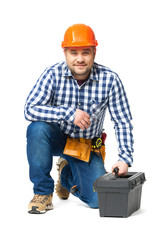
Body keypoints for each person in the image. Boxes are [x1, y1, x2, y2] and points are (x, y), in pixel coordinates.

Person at [24, 23, 134, 214]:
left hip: (86, 146)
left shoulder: (110, 80)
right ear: (65, 53)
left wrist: (125, 158)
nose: (80, 59)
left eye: (86, 52)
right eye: (74, 53)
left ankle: (66, 175)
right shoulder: (52, 74)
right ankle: (42, 193)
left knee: (97, 200)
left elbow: (122, 121)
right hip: (57, 139)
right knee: (37, 128)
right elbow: (29, 109)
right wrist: (68, 113)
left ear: (94, 53)